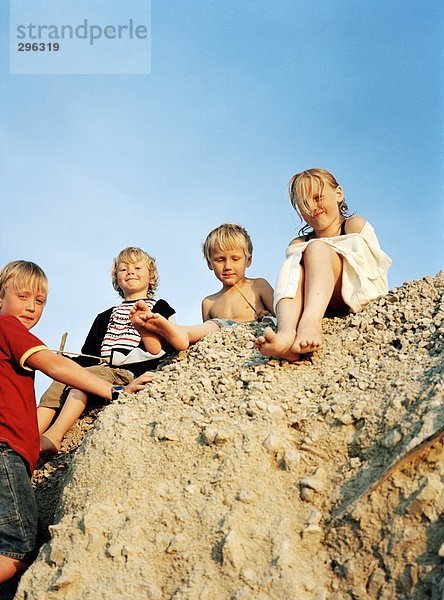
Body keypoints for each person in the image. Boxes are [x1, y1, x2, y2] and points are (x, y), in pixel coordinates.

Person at [0, 261, 151, 589]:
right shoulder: (7, 327)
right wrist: (114, 390)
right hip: (5, 453)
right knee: (15, 550)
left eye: (39, 301)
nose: (31, 306)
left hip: (14, 452)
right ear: (1, 297)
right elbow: (54, 364)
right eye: (23, 295)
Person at [37, 247, 175, 454]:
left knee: (83, 379)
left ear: (151, 277)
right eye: (123, 269)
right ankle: (31, 432)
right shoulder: (104, 316)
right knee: (62, 377)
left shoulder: (160, 308)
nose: (130, 272)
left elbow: (162, 347)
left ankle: (54, 435)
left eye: (137, 267)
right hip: (100, 370)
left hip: (126, 374)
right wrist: (66, 362)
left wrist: (116, 358)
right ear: (116, 277)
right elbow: (87, 355)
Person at [255, 168, 392, 361]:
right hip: (320, 302)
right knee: (295, 263)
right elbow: (290, 282)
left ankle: (310, 323)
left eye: (318, 198)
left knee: (316, 249)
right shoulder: (299, 242)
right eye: (304, 204)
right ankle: (286, 335)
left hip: (354, 295)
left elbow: (369, 268)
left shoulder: (353, 225)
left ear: (338, 194)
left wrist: (318, 250)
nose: (313, 207)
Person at [130, 223, 275, 351]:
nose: (228, 266)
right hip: (224, 347)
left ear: (248, 260)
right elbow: (206, 340)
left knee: (213, 325)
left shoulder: (257, 285)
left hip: (255, 339)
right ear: (209, 264)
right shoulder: (209, 302)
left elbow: (281, 314)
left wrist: (266, 316)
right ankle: (158, 340)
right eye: (220, 260)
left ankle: (178, 332)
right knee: (198, 334)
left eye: (235, 259)